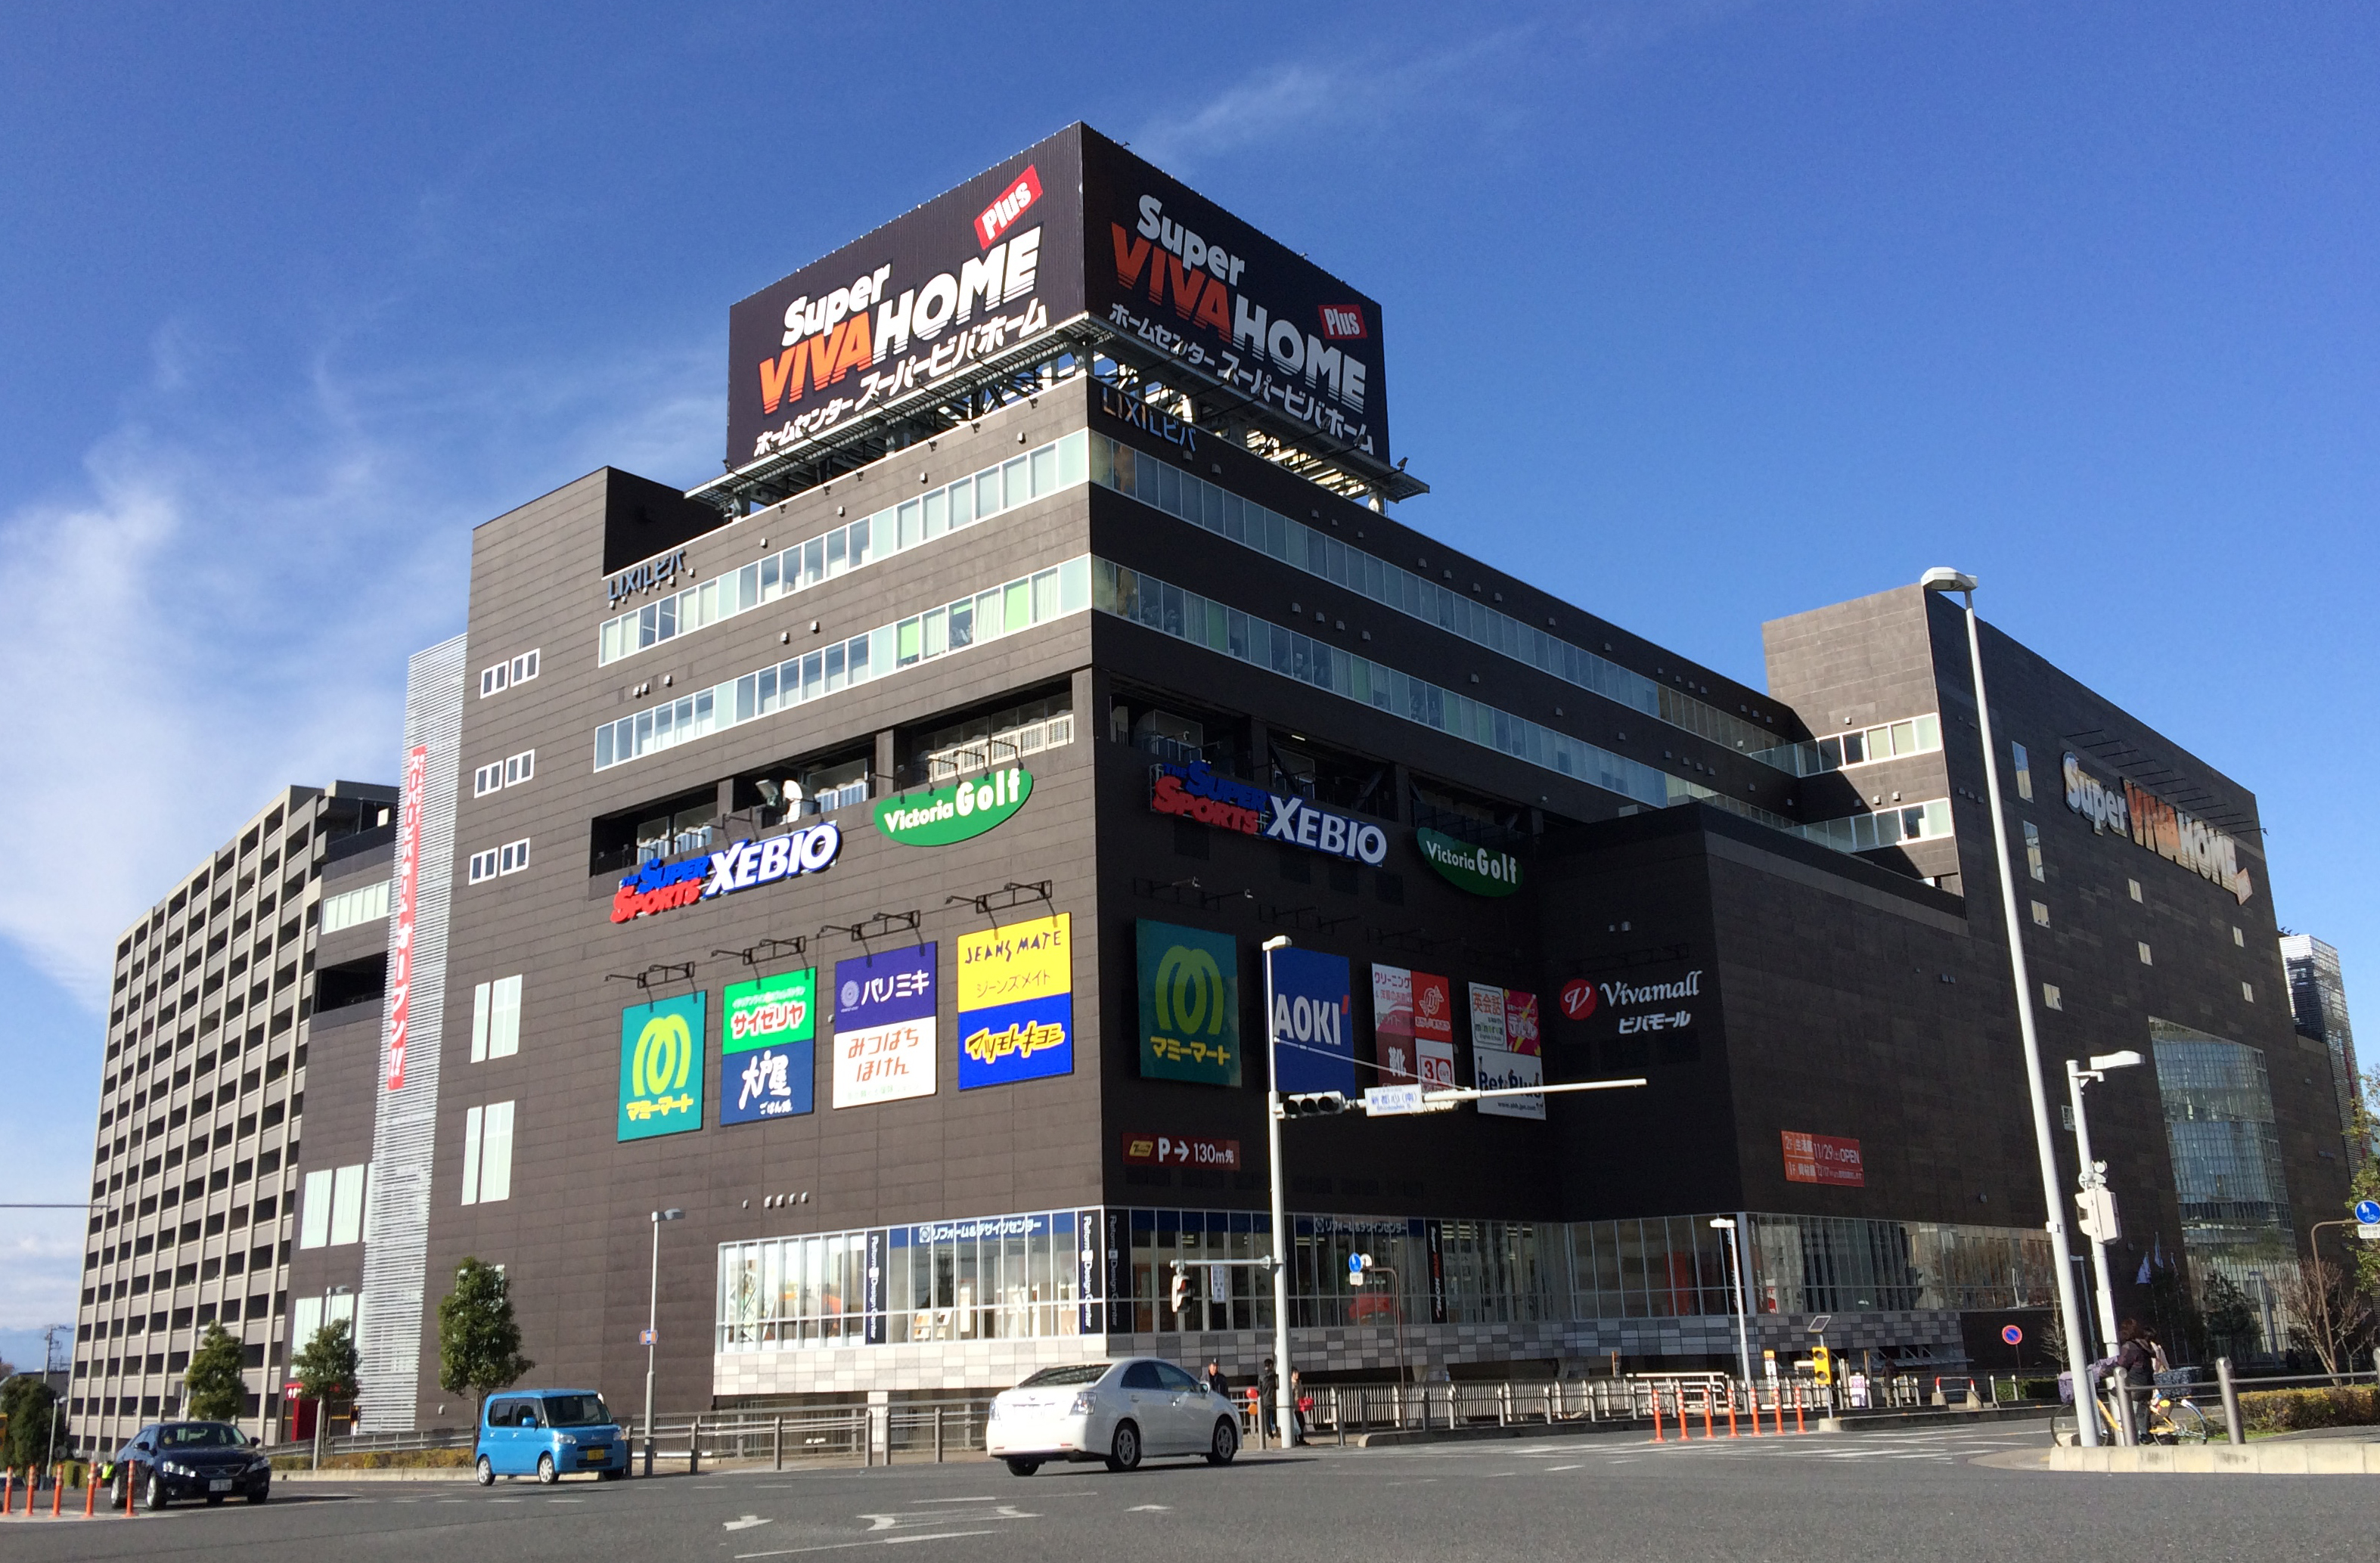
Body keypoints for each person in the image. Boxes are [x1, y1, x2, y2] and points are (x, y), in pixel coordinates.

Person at [1258, 1357, 1281, 1442]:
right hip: (1273, 1398)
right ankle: (1277, 1431)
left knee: (1267, 1417)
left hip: (1264, 1399)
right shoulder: (1274, 1375)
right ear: (1271, 1365)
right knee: (1275, 1416)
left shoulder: (1261, 1376)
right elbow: (1277, 1386)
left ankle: (1269, 1434)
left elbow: (1260, 1389)